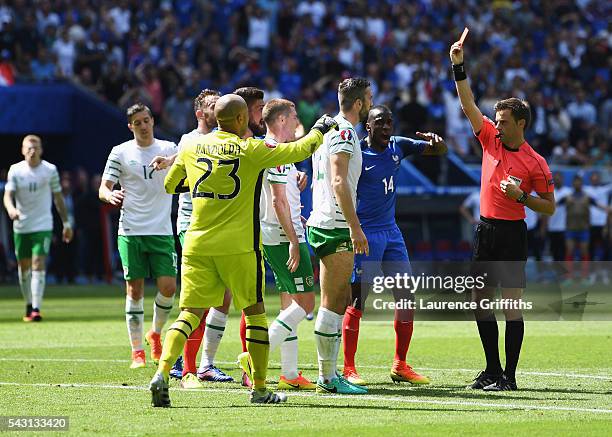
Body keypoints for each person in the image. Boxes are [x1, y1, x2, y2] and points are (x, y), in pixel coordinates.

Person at [148, 94, 338, 406]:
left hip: (196, 244)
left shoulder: (191, 147)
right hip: (239, 248)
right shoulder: (249, 149)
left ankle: (163, 372)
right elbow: (300, 148)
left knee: (189, 314)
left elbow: (171, 185)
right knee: (254, 314)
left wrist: (202, 185)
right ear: (239, 120)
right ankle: (261, 388)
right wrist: (320, 128)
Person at [450, 38, 555, 391]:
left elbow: (549, 206)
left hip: (512, 233)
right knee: (479, 302)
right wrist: (458, 66)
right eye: (496, 120)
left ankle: (509, 376)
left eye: (504, 121)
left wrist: (522, 196)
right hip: (485, 230)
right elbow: (468, 104)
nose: (497, 125)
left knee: (511, 306)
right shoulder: (490, 140)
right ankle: (492, 371)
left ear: (521, 123)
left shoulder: (536, 162)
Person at [342, 105, 447, 386]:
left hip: (391, 232)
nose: (387, 127)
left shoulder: (398, 146)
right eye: (380, 123)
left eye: (390, 122)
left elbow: (439, 151)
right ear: (368, 126)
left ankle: (400, 364)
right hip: (367, 234)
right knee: (357, 300)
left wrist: (438, 142)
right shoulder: (357, 155)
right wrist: (353, 229)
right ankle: (348, 368)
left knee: (406, 297)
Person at [151, 89, 234, 388]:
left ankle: (205, 364)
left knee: (224, 297)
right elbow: (187, 158)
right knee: (199, 297)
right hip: (193, 224)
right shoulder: (189, 139)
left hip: (220, 226)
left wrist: (169, 159)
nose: (218, 109)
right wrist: (171, 161)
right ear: (201, 113)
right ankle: (183, 365)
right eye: (213, 106)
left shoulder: (227, 138)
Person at [99, 103, 178, 369]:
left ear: (153, 121)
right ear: (130, 126)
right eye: (137, 122)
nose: (143, 126)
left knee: (168, 288)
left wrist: (170, 162)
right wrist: (110, 195)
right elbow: (103, 187)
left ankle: (154, 332)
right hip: (131, 229)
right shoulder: (120, 152)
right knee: (134, 290)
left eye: (146, 120)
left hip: (161, 230)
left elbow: (189, 159)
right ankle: (137, 352)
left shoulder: (169, 148)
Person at [306, 77, 371, 395]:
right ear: (359, 103)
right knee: (333, 303)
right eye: (368, 98)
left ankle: (328, 375)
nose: (371, 103)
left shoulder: (327, 127)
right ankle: (327, 377)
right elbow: (338, 181)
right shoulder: (344, 131)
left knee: (341, 299)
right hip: (335, 225)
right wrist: (355, 226)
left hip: (324, 220)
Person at [260, 98, 317, 390]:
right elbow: (277, 200)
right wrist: (294, 240)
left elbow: (283, 193)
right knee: (306, 302)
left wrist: (297, 176)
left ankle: (290, 372)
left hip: (277, 233)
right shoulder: (276, 151)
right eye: (294, 116)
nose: (297, 120)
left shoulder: (274, 150)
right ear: (282, 120)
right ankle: (255, 356)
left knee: (288, 302)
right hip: (284, 237)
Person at [3, 134, 73, 322]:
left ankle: (36, 307)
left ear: (41, 150)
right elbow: (7, 195)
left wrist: (66, 223)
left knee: (38, 263)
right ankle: (28, 304)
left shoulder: (50, 170)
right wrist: (11, 209)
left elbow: (58, 198)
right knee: (23, 266)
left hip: (43, 225)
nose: (32, 151)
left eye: (35, 147)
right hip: (21, 226)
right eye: (28, 147)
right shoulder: (15, 170)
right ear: (22, 150)